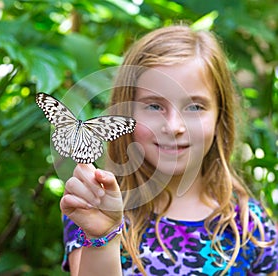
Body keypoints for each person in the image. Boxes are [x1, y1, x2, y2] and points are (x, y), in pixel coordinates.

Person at [59, 25, 278, 275]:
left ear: (220, 117)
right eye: (154, 106)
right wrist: (104, 237)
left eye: (195, 107)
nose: (174, 126)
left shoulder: (249, 223)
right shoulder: (98, 207)